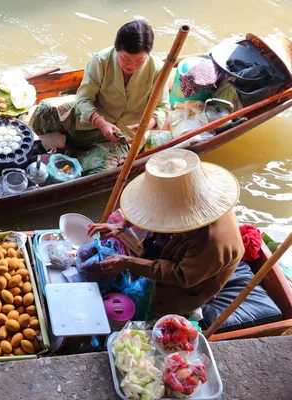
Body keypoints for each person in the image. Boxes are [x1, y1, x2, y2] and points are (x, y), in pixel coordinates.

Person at [87, 149, 244, 316]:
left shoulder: (211, 241)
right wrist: (122, 225)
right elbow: (152, 206)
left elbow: (180, 275)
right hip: (171, 250)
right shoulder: (182, 195)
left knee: (154, 305)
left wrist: (129, 262)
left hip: (187, 283)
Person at [30, 20, 170, 174]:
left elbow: (163, 107)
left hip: (125, 135)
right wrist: (100, 122)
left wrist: (148, 124)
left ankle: (76, 155)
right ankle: (61, 145)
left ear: (148, 55)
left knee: (99, 169)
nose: (132, 66)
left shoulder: (158, 70)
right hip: (92, 119)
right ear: (116, 49)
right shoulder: (101, 61)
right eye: (126, 59)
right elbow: (83, 99)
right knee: (46, 109)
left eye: (139, 61)